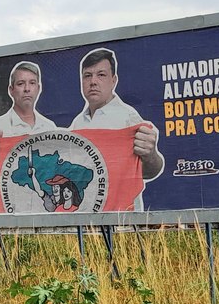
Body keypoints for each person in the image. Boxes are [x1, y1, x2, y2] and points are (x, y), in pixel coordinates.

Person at [70, 48, 164, 210]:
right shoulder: (78, 123)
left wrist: (150, 154)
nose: (93, 81)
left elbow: (149, 172)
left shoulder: (128, 118)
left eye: (101, 75)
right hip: (89, 218)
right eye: (87, 75)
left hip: (122, 221)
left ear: (113, 80)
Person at [0, 61, 56, 212]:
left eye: (32, 83)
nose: (27, 89)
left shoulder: (49, 128)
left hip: (43, 213)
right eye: (21, 83)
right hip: (6, 215)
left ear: (38, 88)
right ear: (11, 89)